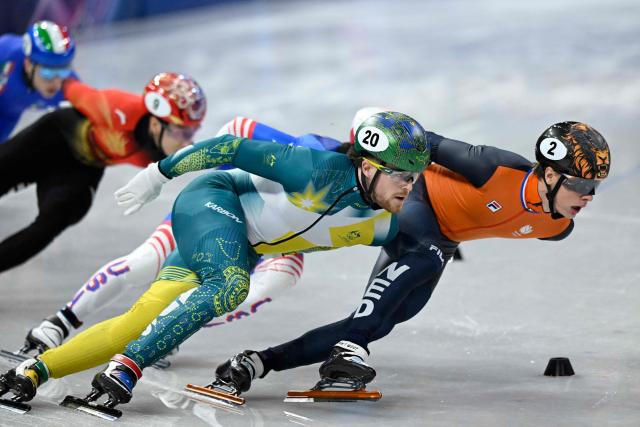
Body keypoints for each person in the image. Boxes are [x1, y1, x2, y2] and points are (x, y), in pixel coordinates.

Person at [0, 111, 431, 410]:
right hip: (213, 201)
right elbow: (231, 146)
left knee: (136, 325)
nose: (409, 187)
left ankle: (33, 371)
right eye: (401, 175)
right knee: (230, 285)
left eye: (414, 178)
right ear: (369, 167)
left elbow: (412, 270)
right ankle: (127, 369)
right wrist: (159, 173)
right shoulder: (313, 170)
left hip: (238, 246)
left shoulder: (384, 224)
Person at [210, 121, 611, 396]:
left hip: (444, 237)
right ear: (550, 175)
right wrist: (359, 156)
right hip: (416, 200)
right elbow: (422, 139)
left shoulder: (557, 227)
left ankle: (257, 363)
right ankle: (349, 349)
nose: (589, 196)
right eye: (582, 184)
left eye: (595, 187)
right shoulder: (492, 166)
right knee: (425, 258)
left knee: (383, 320)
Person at [20, 115, 342, 353]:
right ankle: (61, 321)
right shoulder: (307, 153)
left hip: (275, 243)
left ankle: (161, 330)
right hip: (219, 210)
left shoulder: (380, 198)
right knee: (144, 264)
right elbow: (237, 130)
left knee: (252, 290)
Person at [0, 71, 206, 273]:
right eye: (182, 132)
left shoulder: (171, 150)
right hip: (53, 137)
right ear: (155, 124)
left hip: (82, 167)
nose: (188, 142)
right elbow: (67, 85)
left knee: (54, 222)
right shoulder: (117, 107)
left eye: (193, 131)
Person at [0, 21, 78, 141]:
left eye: (63, 71)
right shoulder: (4, 57)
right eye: (48, 73)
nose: (56, 82)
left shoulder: (69, 86)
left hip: (9, 115)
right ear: (28, 65)